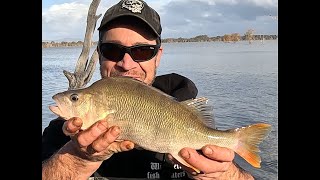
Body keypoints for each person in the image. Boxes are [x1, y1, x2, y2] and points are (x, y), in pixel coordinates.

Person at [42, 0, 254, 179]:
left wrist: (226, 173)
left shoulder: (183, 105)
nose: (126, 64)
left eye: (142, 51)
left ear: (158, 56)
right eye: (112, 50)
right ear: (100, 54)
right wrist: (77, 158)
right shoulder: (61, 134)